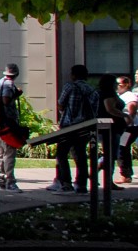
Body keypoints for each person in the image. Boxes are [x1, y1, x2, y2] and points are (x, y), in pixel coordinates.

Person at [53, 64, 99, 194]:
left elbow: (61, 104)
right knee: (80, 155)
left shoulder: (70, 86)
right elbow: (94, 111)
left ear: (73, 75)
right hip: (85, 127)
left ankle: (66, 183)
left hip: (69, 125)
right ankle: (81, 184)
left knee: (61, 154)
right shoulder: (93, 90)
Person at [97, 74, 129, 189]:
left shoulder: (100, 93)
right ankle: (107, 181)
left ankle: (97, 175)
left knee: (109, 154)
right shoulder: (108, 94)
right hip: (111, 128)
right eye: (115, 83)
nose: (117, 85)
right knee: (111, 154)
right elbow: (110, 108)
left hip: (107, 127)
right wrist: (125, 115)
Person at [0, 63, 24, 191]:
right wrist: (17, 94)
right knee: (10, 152)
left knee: (1, 152)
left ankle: (1, 179)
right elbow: (6, 100)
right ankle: (10, 180)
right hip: (8, 122)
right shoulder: (9, 84)